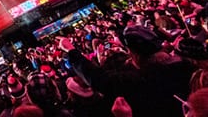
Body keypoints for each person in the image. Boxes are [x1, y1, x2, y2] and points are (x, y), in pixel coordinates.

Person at [59, 25, 196, 117]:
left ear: (134, 54)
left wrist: (71, 50)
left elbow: (100, 79)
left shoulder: (139, 80)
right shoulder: (185, 65)